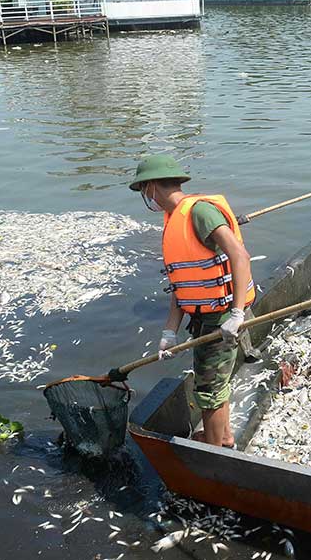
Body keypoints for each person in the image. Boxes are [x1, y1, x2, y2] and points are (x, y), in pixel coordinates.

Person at [117, 154, 255, 449]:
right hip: (204, 315)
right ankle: (223, 435)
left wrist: (237, 313)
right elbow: (182, 286)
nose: (145, 197)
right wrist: (169, 332)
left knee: (208, 389)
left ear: (151, 186)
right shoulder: (173, 220)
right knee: (212, 384)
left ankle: (217, 450)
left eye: (143, 190)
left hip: (222, 316)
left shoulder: (199, 212)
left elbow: (239, 256)